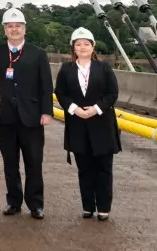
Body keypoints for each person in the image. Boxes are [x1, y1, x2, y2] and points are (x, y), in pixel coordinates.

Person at [0, 6, 53, 218]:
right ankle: (13, 201)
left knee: (34, 162)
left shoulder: (38, 54)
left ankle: (36, 204)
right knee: (10, 163)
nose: (14, 29)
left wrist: (46, 112)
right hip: (5, 117)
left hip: (31, 117)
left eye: (18, 26)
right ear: (4, 29)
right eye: (10, 26)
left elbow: (46, 85)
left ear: (25, 29)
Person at [54, 27, 121, 221]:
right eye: (78, 44)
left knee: (104, 168)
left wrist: (96, 109)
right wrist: (74, 109)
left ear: (93, 47)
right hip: (78, 124)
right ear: (73, 48)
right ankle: (88, 206)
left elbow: (112, 93)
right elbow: (61, 93)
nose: (82, 47)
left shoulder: (104, 68)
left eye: (86, 44)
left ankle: (103, 207)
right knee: (84, 168)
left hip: (102, 124)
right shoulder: (66, 69)